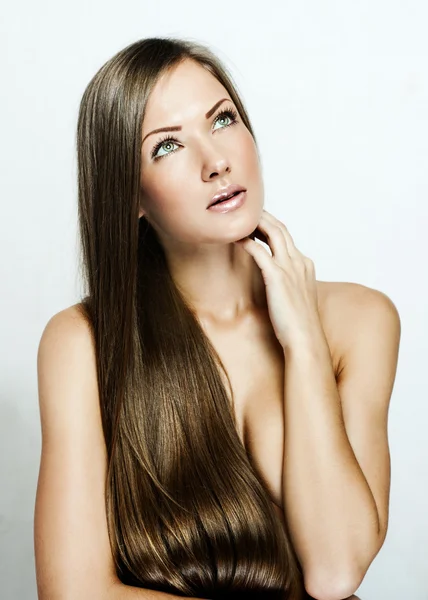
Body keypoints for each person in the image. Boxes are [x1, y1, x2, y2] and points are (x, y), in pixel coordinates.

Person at [34, 37, 400, 600]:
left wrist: (302, 341)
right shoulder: (83, 342)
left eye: (222, 119)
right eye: (167, 147)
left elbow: (336, 571)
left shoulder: (359, 321)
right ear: (129, 194)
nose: (217, 161)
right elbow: (75, 592)